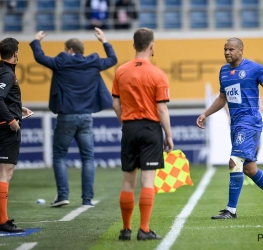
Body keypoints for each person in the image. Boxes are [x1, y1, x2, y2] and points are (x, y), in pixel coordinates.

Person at [196, 37, 263, 219]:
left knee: (234, 162)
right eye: (225, 49)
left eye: (231, 49)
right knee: (249, 169)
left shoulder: (254, 68)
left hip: (250, 122)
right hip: (236, 124)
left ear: (241, 50)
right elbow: (222, 99)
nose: (227, 52)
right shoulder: (223, 71)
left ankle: (231, 210)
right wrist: (205, 114)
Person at [29, 28, 117, 207]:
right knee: (88, 158)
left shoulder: (61, 62)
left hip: (67, 116)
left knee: (60, 155)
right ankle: (87, 200)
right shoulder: (92, 62)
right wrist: (104, 40)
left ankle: (62, 196)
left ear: (69, 49)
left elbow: (40, 57)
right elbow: (113, 59)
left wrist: (36, 40)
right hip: (86, 117)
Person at [112, 28, 174, 240]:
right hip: (150, 129)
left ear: (133, 45)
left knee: (128, 181)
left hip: (129, 127)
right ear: (151, 46)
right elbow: (162, 109)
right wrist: (169, 135)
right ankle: (144, 229)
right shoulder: (158, 74)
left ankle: (126, 229)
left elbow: (115, 103)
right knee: (148, 181)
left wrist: (126, 121)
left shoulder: (121, 71)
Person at [0, 37, 33, 232]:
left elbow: (3, 99)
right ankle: (2, 221)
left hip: (1, 125)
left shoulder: (1, 71)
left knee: (1, 173)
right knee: (5, 173)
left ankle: (1, 219)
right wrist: (12, 121)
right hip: (5, 129)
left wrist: (18, 109)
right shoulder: (7, 74)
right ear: (15, 53)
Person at [223, 96, 263, 185]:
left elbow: (257, 94)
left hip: (253, 121)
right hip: (241, 122)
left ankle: (249, 171)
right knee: (242, 151)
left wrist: (261, 104)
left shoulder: (253, 85)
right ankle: (246, 173)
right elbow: (225, 99)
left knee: (257, 147)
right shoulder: (235, 85)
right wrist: (229, 115)